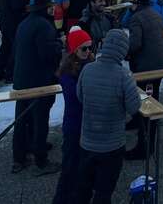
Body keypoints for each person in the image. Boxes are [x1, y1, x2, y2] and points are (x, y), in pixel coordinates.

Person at [76, 29, 141, 203]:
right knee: (104, 191)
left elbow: (80, 96)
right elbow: (134, 108)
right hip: (112, 145)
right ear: (123, 51)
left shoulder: (87, 69)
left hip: (87, 141)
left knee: (84, 187)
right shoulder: (123, 76)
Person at [12, 0, 62, 175]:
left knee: (22, 118)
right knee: (40, 120)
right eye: (52, 5)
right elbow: (47, 55)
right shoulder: (44, 26)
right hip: (39, 80)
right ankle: (41, 159)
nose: (54, 8)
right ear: (45, 7)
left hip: (22, 79)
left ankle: (19, 156)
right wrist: (59, 44)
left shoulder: (25, 23)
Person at [51, 27, 94, 204]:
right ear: (75, 49)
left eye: (90, 47)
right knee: (69, 168)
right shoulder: (67, 71)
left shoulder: (91, 63)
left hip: (89, 124)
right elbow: (76, 96)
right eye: (84, 48)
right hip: (75, 125)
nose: (88, 51)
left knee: (86, 168)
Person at [125, 0, 163, 160]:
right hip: (159, 64)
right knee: (151, 99)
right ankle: (140, 124)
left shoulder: (137, 17)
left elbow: (135, 43)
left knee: (146, 103)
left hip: (146, 67)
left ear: (136, 3)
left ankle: (145, 146)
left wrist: (125, 52)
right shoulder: (155, 13)